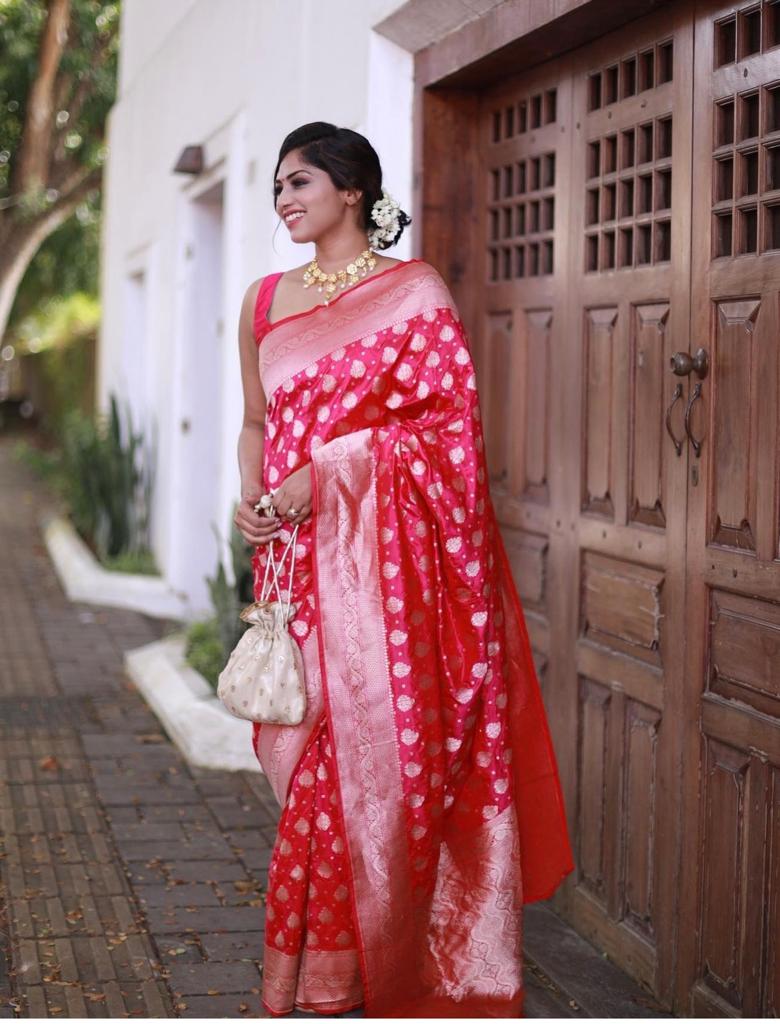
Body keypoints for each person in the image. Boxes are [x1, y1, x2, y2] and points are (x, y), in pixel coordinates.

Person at [234, 121, 573, 1018]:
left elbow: (449, 437)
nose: (285, 200)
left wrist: (333, 472)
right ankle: (328, 964)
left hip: (387, 578)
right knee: (304, 762)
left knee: (360, 773)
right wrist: (252, 497)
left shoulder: (412, 293)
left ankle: (352, 970)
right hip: (296, 568)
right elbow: (257, 423)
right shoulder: (263, 301)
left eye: (301, 182)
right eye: (277, 186)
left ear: (352, 191)